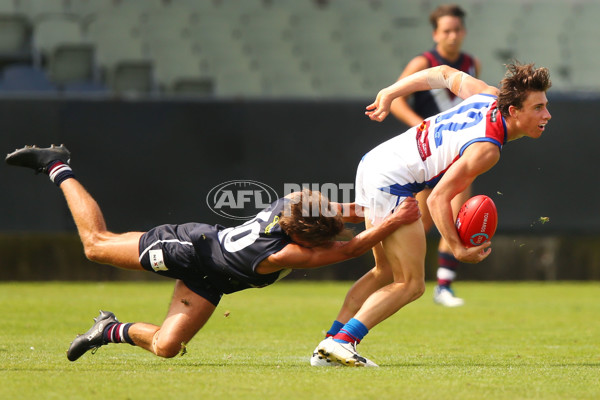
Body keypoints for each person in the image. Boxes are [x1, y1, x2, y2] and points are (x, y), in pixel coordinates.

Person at [4, 144, 421, 362]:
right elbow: (351, 247)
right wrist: (394, 221)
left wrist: (391, 203)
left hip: (214, 278)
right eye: (319, 242)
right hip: (188, 250)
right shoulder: (282, 255)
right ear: (304, 243)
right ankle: (58, 166)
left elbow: (342, 216)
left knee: (167, 347)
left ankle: (108, 329)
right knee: (95, 246)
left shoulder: (297, 206)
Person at [311, 62, 552, 367]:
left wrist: (390, 92)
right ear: (514, 111)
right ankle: (344, 342)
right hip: (393, 181)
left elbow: (443, 73)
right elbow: (438, 199)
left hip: (375, 162)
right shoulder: (487, 150)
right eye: (539, 107)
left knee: (384, 272)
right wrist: (457, 247)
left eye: (546, 106)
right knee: (411, 284)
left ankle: (330, 344)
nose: (547, 115)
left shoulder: (487, 94)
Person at [390, 4, 481, 307]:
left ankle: (444, 287)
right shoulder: (423, 62)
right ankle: (399, 278)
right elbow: (395, 100)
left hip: (458, 153)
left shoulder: (471, 64)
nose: (453, 35)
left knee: (456, 218)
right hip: (427, 155)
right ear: (436, 34)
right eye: (447, 31)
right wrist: (423, 127)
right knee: (421, 221)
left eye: (457, 30)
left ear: (464, 32)